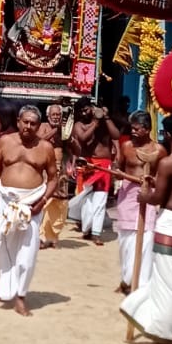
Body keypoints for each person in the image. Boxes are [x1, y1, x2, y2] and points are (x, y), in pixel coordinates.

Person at [121, 114, 172, 344]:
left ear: (169, 135)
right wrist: (155, 183)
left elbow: (158, 199)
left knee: (165, 280)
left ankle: (163, 332)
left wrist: (146, 196)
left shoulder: (169, 162)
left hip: (171, 223)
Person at [0, 106, 58, 316]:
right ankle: (5, 282)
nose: (28, 126)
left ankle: (21, 296)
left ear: (39, 125)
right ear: (18, 121)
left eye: (33, 123)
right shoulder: (5, 142)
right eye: (25, 122)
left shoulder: (45, 148)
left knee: (27, 252)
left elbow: (53, 179)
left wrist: (42, 202)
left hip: (32, 203)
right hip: (5, 200)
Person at [112, 110, 164, 293]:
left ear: (147, 129)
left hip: (148, 197)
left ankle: (141, 285)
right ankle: (126, 280)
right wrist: (117, 173)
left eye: (137, 128)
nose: (133, 132)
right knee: (125, 241)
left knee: (146, 239)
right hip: (128, 196)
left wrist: (151, 182)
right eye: (132, 128)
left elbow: (163, 177)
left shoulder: (159, 150)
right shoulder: (126, 146)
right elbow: (118, 168)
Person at [68, 104, 119, 245]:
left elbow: (116, 135)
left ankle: (96, 233)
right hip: (87, 165)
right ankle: (87, 230)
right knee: (86, 201)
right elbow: (83, 138)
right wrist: (95, 124)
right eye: (81, 111)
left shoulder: (105, 123)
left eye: (86, 109)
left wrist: (106, 117)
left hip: (104, 165)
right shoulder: (79, 125)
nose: (84, 112)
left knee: (100, 200)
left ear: (92, 108)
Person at [38, 102, 70, 249]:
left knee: (60, 203)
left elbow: (72, 147)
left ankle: (53, 237)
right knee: (45, 202)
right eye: (54, 114)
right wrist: (56, 130)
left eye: (59, 114)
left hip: (60, 169)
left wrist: (67, 134)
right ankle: (41, 237)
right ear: (48, 115)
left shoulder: (65, 129)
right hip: (45, 169)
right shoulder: (43, 126)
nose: (56, 117)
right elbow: (40, 141)